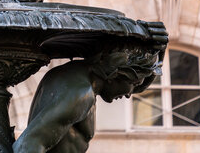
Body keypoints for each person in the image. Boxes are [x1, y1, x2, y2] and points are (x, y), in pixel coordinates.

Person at [13, 45, 163, 153]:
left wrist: (160, 50)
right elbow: (27, 145)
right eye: (134, 84)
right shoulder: (80, 95)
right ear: (117, 74)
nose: (131, 93)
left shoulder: (73, 77)